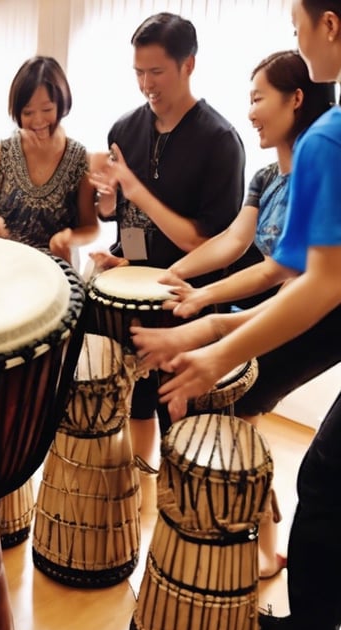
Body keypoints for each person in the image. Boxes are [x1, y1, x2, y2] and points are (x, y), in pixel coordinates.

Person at [133, 0, 341, 630]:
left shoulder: (324, 144)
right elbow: (263, 259)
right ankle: (306, 619)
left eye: (297, 27)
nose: (250, 110)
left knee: (323, 479)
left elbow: (305, 280)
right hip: (314, 310)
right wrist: (196, 308)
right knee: (321, 478)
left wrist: (210, 343)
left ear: (329, 26)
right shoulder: (278, 167)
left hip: (317, 314)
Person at [155, 50, 335, 578]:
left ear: (295, 99)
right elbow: (234, 241)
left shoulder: (319, 167)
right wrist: (175, 274)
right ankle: (263, 551)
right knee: (242, 421)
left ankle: (251, 543)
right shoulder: (265, 176)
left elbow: (278, 272)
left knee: (235, 413)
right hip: (268, 307)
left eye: (259, 98)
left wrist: (205, 303)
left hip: (305, 314)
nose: (251, 111)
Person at [89, 12, 246, 470]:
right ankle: (144, 485)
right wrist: (110, 211)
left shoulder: (221, 141)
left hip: (188, 306)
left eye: (156, 71)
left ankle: (172, 493)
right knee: (135, 404)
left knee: (180, 421)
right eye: (138, 72)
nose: (145, 84)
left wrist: (135, 189)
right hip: (132, 299)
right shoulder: (123, 130)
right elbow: (124, 219)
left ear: (188, 64)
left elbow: (206, 241)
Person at [0, 55, 99, 265]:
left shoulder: (80, 158)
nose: (38, 120)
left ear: (62, 104)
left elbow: (91, 227)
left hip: (54, 269)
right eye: (28, 112)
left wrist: (68, 238)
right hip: (1, 264)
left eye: (47, 110)